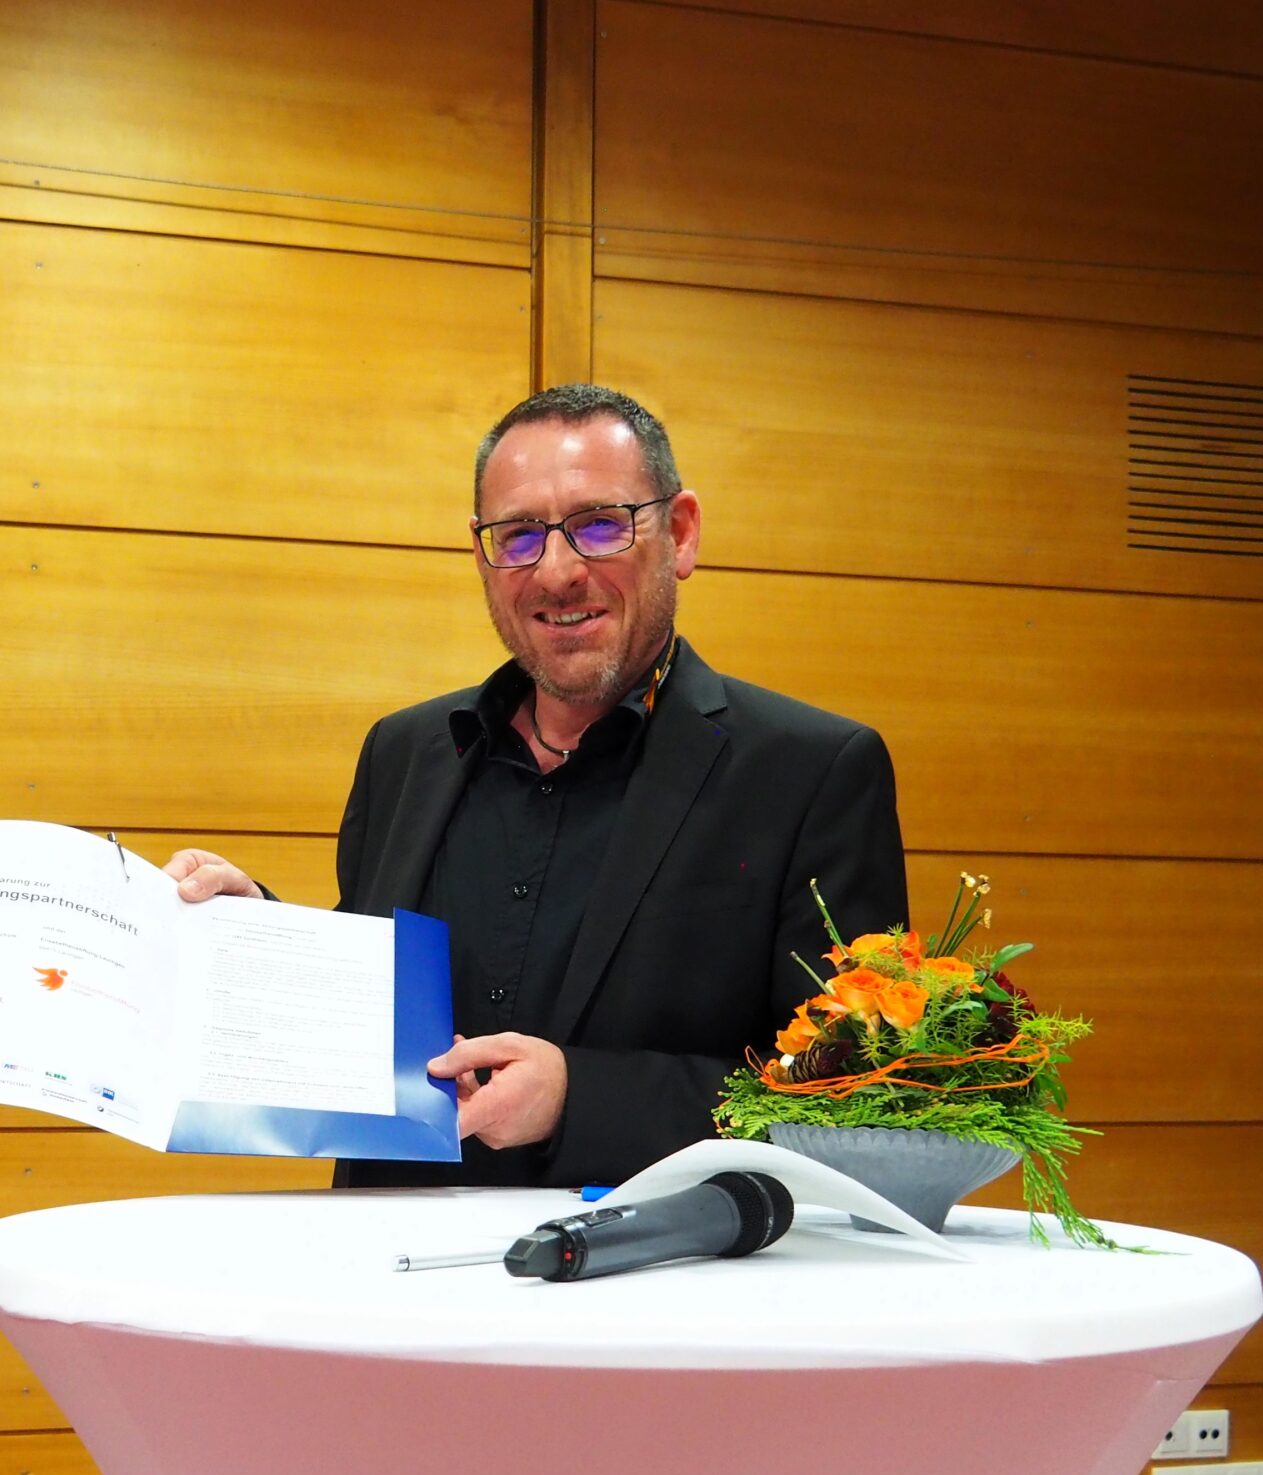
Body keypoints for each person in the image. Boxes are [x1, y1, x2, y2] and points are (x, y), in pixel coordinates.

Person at [166, 383, 907, 1188]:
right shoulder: (406, 751)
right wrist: (255, 939)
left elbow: (852, 1101)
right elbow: (373, 1016)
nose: (556, 572)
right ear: (481, 555)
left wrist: (577, 1099)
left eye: (600, 525)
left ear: (681, 534)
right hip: (388, 1259)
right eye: (519, 536)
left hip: (648, 1263)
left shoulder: (812, 773)